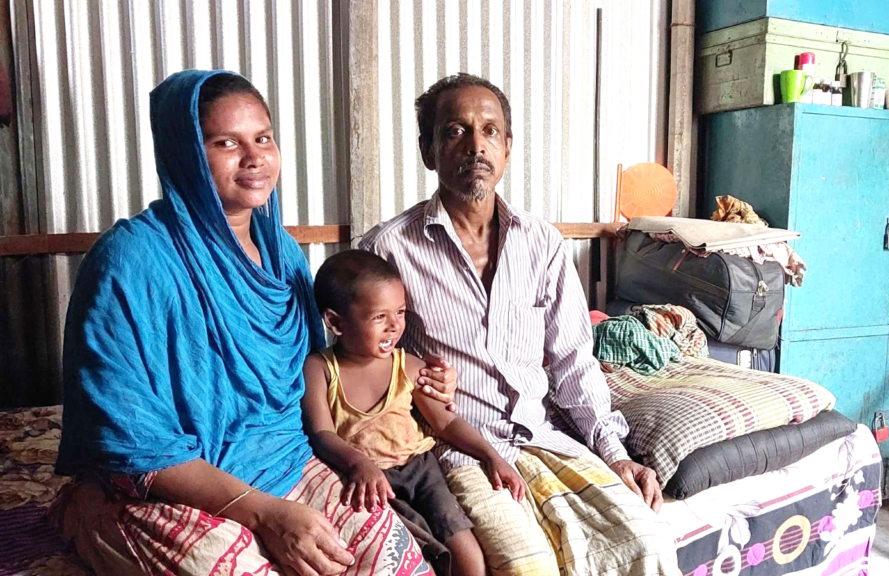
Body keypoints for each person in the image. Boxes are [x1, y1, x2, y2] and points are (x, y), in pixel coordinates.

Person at [53, 70, 457, 576]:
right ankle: (84, 515)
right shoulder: (129, 262)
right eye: (227, 142)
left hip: (285, 460)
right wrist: (264, 514)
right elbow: (130, 438)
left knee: (390, 556)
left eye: (263, 138)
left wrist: (417, 382)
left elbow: (321, 370)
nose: (255, 157)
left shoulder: (283, 253)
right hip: (168, 484)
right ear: (185, 152)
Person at [360, 73, 679, 575]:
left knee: (649, 544)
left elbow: (574, 360)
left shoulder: (542, 243)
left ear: (508, 148)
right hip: (461, 450)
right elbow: (363, 362)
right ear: (428, 150)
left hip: (544, 435)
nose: (475, 145)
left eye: (490, 131)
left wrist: (615, 454)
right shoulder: (387, 250)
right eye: (455, 131)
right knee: (528, 566)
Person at [302, 249, 526, 576]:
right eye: (380, 317)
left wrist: (491, 456)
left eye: (401, 312)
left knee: (468, 556)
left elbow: (445, 421)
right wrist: (359, 463)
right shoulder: (320, 369)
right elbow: (321, 433)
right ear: (336, 322)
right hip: (368, 479)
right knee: (412, 554)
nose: (395, 326)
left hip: (422, 472)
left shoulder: (406, 366)